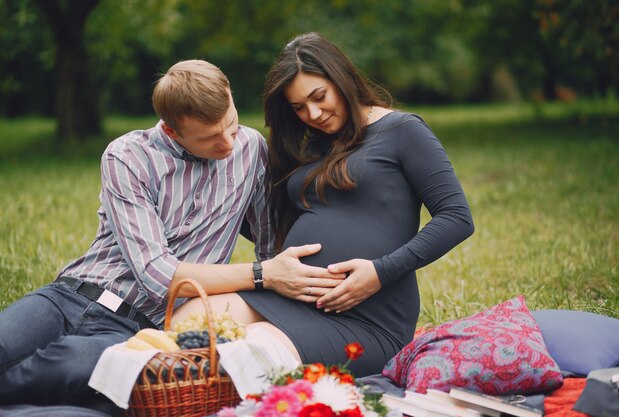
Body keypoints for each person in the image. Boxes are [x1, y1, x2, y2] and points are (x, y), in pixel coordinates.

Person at [0, 59, 343, 414]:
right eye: (210, 138)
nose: (227, 143)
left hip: (135, 331)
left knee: (80, 377)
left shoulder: (250, 149)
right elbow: (159, 276)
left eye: (232, 125)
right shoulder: (128, 156)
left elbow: (270, 245)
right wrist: (264, 275)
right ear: (171, 132)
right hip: (67, 298)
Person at [178, 33, 475, 378]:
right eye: (298, 107)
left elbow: (457, 218)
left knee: (251, 349)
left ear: (341, 77)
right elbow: (265, 220)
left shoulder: (403, 130)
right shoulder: (313, 146)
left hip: (366, 317)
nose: (313, 114)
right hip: (288, 297)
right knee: (185, 324)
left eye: (319, 97)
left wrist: (380, 273)